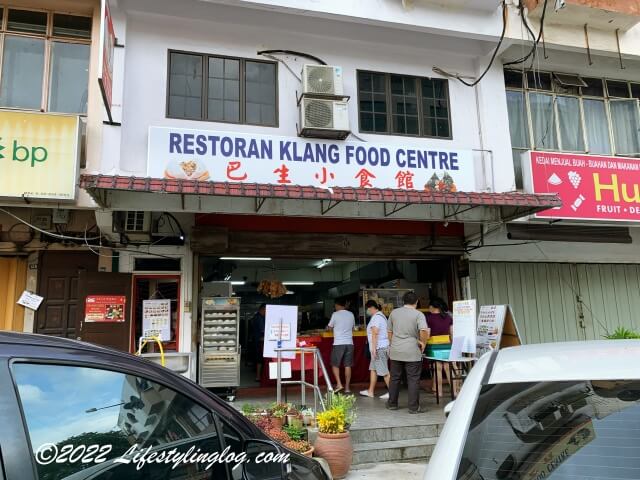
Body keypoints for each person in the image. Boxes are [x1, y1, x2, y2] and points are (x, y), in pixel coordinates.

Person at [386, 291, 430, 413]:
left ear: (403, 301)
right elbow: (423, 331)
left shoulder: (394, 313)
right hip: (412, 351)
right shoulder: (418, 314)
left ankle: (392, 404)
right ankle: (413, 407)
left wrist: (393, 343)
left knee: (394, 378)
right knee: (413, 379)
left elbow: (389, 332)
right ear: (416, 302)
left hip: (396, 351)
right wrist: (423, 343)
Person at [360, 300, 390, 399]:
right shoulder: (381, 316)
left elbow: (375, 332)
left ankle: (392, 393)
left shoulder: (376, 317)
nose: (367, 311)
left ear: (371, 308)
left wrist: (373, 348)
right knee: (373, 369)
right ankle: (370, 391)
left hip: (379, 348)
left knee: (384, 371)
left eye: (367, 309)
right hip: (381, 346)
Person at [426, 297, 454, 399]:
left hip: (434, 345)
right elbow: (452, 333)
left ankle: (439, 392)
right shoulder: (448, 317)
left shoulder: (429, 318)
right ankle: (454, 391)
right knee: (447, 368)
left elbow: (427, 334)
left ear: (433, 307)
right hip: (447, 344)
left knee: (437, 368)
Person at [327, 298, 355, 393]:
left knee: (335, 364)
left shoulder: (335, 314)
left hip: (339, 343)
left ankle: (339, 384)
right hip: (350, 343)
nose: (335, 307)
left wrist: (329, 328)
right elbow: (353, 328)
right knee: (348, 365)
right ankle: (347, 388)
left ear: (338, 305)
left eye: (335, 306)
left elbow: (329, 328)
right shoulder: (351, 314)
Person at [252, 304, 266, 382]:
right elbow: (262, 330)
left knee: (259, 358)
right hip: (259, 341)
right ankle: (258, 376)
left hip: (257, 340)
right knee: (259, 358)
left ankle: (259, 375)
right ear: (263, 309)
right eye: (266, 310)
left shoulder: (258, 317)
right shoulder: (259, 318)